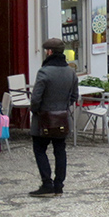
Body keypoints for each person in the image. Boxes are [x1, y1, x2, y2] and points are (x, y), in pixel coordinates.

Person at [29, 38, 79, 197]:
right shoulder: (70, 72)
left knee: (39, 149)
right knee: (60, 150)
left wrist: (36, 111)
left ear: (49, 52)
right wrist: (62, 108)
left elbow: (36, 98)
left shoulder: (44, 72)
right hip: (62, 118)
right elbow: (74, 96)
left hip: (43, 118)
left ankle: (46, 183)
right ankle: (59, 185)